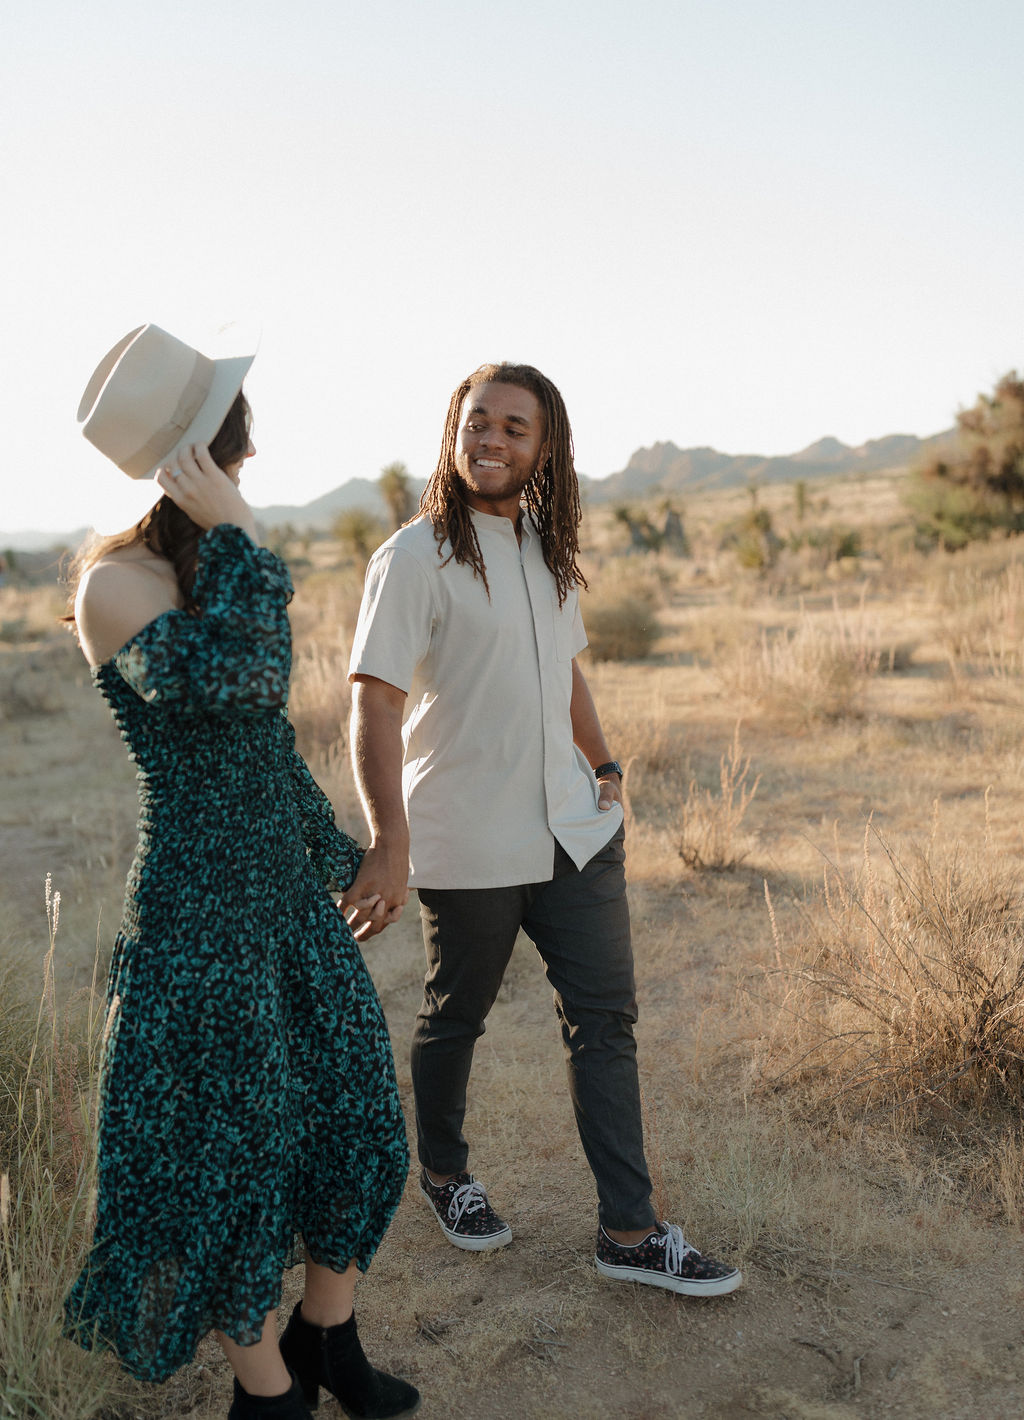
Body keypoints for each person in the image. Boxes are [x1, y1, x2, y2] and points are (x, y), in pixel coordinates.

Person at [62, 324, 421, 1420]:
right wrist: (250, 540)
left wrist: (348, 854)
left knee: (358, 1131)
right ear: (204, 459)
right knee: (229, 1169)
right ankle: (268, 1396)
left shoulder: (204, 561)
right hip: (199, 920)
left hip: (285, 902)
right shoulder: (114, 585)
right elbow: (249, 684)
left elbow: (262, 752)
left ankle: (328, 1336)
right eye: (236, 447)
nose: (248, 463)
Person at [346, 362, 742, 1298]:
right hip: (468, 836)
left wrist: (603, 766)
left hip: (573, 833)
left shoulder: (545, 547)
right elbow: (372, 705)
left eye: (514, 427)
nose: (491, 438)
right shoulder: (410, 558)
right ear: (455, 431)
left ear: (544, 446)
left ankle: (630, 1233)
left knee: (605, 1022)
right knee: (458, 1015)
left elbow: (564, 673)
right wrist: (388, 842)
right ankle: (442, 1173)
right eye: (477, 421)